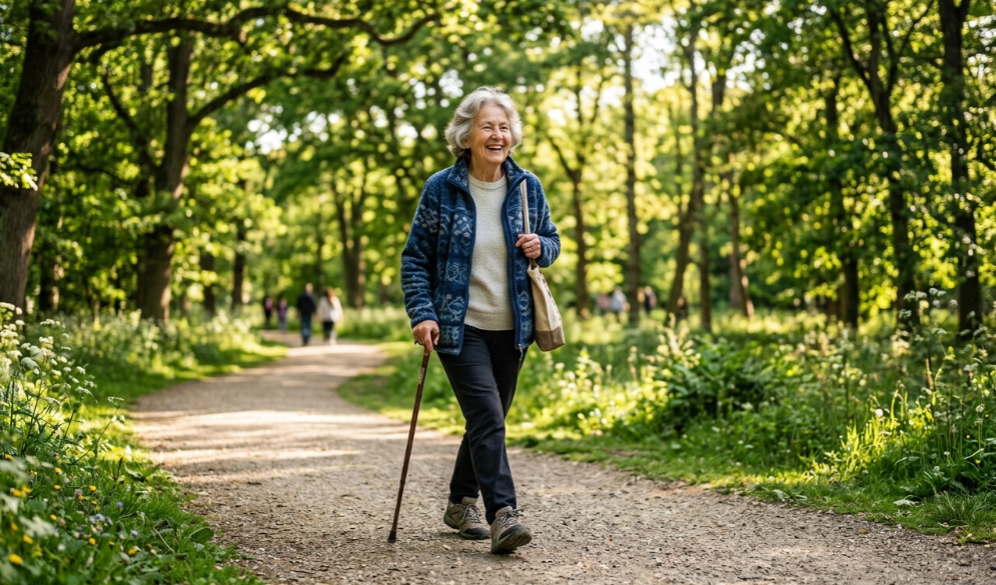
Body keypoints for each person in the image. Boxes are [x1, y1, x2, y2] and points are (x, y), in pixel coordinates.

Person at [401, 86, 560, 555]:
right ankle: (503, 515)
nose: (497, 134)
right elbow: (415, 260)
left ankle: (458, 502)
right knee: (488, 416)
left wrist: (541, 247)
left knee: (486, 419)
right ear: (466, 135)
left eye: (504, 126)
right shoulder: (441, 189)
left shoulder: (528, 186)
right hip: (458, 324)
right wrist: (422, 313)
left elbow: (550, 240)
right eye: (487, 126)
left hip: (514, 328)